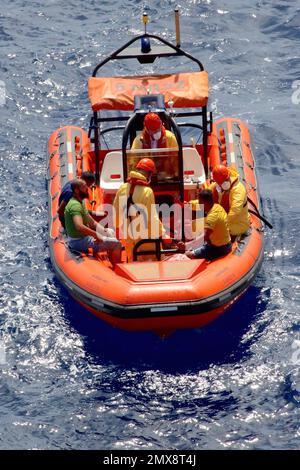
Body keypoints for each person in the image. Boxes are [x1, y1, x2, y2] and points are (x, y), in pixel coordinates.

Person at [113, 158, 170, 262]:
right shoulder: (147, 192)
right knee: (155, 264)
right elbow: (152, 219)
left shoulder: (122, 188)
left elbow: (116, 218)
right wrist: (163, 233)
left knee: (133, 264)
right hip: (147, 240)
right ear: (149, 174)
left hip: (129, 239)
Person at [64, 179, 122, 267]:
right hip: (78, 241)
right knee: (117, 244)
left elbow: (92, 222)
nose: (87, 188)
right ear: (76, 190)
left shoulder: (80, 202)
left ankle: (110, 257)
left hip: (84, 238)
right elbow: (79, 226)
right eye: (84, 187)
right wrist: (97, 235)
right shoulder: (75, 206)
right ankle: (117, 268)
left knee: (110, 231)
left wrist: (103, 230)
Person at [179, 189, 231, 261]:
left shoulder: (212, 217)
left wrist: (187, 245)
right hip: (216, 243)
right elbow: (196, 204)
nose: (198, 204)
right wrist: (187, 204)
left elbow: (205, 236)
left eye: (200, 202)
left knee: (187, 255)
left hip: (219, 248)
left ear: (204, 202)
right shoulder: (217, 207)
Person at [131, 112, 178, 178]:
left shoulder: (170, 137)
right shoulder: (139, 141)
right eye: (154, 130)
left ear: (161, 124)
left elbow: (176, 159)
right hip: (145, 176)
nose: (157, 132)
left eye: (158, 129)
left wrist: (176, 175)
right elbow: (133, 161)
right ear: (147, 129)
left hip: (167, 176)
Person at [210, 165, 250, 237]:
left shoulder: (238, 190)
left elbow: (235, 211)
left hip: (238, 224)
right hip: (223, 219)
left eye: (226, 180)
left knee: (214, 231)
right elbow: (205, 195)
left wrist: (221, 224)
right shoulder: (217, 186)